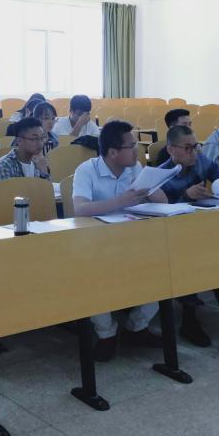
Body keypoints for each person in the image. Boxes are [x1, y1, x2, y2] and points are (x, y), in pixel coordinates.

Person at [72, 120, 166, 360]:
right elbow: (80, 209)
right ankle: (106, 334)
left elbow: (162, 201)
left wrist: (151, 183)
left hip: (132, 239)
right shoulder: (87, 170)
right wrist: (120, 201)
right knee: (93, 277)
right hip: (96, 243)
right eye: (131, 146)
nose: (137, 150)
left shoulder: (134, 168)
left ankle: (137, 327)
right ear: (113, 152)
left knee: (163, 267)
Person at [157, 124, 219, 346]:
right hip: (173, 238)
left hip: (204, 230)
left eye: (196, 146)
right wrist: (185, 196)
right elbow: (159, 213)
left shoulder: (202, 161)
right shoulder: (161, 175)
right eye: (187, 148)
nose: (193, 152)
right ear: (171, 149)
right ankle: (189, 321)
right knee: (193, 259)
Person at [0, 116, 51, 183]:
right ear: (19, 141)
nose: (40, 143)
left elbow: (48, 188)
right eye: (35, 139)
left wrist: (44, 172)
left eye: (42, 137)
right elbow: (8, 190)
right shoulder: (6, 165)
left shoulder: (39, 160)